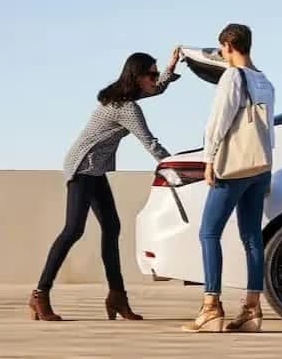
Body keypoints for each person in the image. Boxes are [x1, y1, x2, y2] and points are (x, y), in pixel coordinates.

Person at [30, 48, 181, 322]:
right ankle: (40, 293)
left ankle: (117, 297)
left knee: (112, 228)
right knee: (73, 229)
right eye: (152, 74)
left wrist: (170, 68)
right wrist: (175, 166)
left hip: (95, 170)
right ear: (137, 76)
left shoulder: (127, 98)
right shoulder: (127, 108)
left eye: (156, 74)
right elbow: (150, 142)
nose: (155, 79)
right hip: (82, 167)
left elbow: (157, 90)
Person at [183, 24, 275, 333]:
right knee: (252, 236)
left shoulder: (232, 78)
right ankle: (252, 310)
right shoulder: (264, 80)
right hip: (260, 166)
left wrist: (208, 159)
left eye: (222, 48)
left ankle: (211, 307)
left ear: (227, 45)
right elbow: (268, 130)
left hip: (233, 168)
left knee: (209, 233)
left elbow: (218, 122)